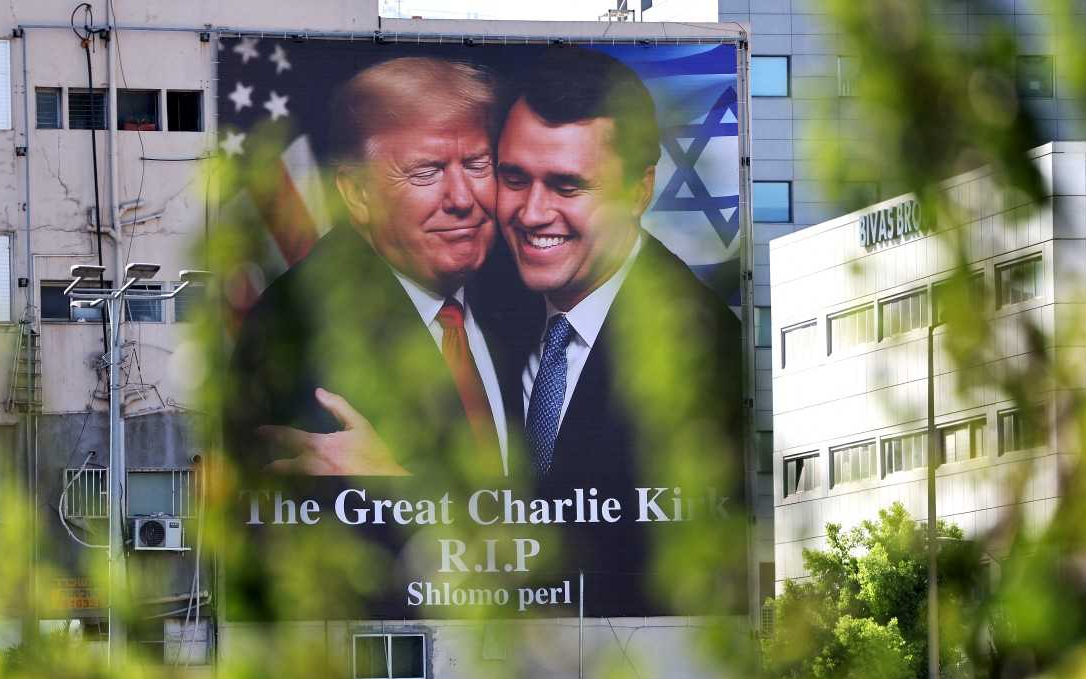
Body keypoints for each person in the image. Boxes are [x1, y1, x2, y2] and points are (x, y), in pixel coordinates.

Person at [227, 56, 519, 481]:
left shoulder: (529, 300)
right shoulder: (300, 327)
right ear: (358, 193)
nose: (461, 197)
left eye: (477, 165)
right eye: (427, 171)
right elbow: (308, 521)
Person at [494, 47, 745, 504]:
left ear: (639, 190)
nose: (531, 213)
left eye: (566, 186)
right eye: (513, 179)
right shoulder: (479, 306)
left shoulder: (703, 350)